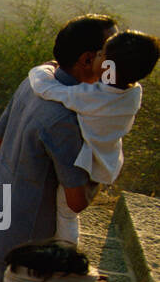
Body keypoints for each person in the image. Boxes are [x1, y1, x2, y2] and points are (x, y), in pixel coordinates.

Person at [0, 14, 117, 282]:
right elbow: (76, 201)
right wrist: (104, 159)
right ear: (88, 59)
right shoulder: (64, 118)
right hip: (26, 236)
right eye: (111, 53)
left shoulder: (36, 81)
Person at [25, 29, 158, 242]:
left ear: (107, 67)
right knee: (69, 212)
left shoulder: (90, 97)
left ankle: (66, 250)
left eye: (101, 54)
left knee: (66, 212)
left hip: (86, 165)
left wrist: (44, 69)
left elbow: (46, 89)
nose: (96, 54)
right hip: (107, 162)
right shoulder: (134, 93)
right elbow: (110, 81)